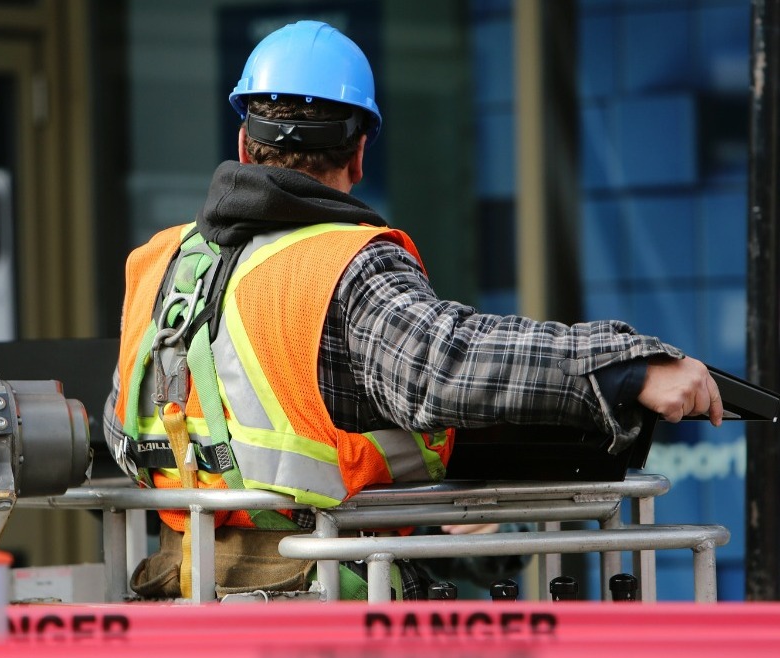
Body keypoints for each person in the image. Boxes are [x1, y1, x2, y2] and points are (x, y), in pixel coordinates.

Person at [103, 19, 723, 601]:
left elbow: (122, 426)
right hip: (322, 604)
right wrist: (625, 367)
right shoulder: (345, 264)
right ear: (359, 154)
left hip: (180, 599)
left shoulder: (159, 264)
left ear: (243, 143)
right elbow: (445, 365)